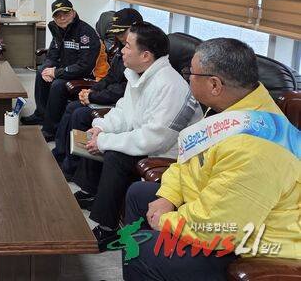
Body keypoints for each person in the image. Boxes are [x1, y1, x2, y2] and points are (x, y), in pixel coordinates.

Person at [123, 38, 301, 280]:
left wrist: (165, 221)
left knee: (141, 247)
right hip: (216, 206)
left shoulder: (254, 149)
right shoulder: (233, 109)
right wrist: (168, 196)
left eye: (190, 73)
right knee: (138, 194)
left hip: (249, 246)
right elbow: (187, 160)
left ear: (214, 85)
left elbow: (220, 226)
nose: (186, 77)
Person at [70, 22, 202, 249]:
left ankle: (108, 229)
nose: (121, 50)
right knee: (98, 134)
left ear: (145, 55)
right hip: (147, 141)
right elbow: (124, 110)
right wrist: (102, 128)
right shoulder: (139, 74)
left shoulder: (169, 85)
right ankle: (92, 191)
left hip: (168, 155)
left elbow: (155, 139)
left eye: (128, 46)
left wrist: (105, 141)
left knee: (116, 155)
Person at [52, 8, 143, 177]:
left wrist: (93, 96)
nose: (118, 36)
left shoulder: (140, 54)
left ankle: (72, 167)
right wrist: (92, 90)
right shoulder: (120, 48)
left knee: (79, 114)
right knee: (72, 107)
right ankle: (61, 153)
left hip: (121, 104)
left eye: (122, 32)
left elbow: (123, 89)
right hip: (110, 96)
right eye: (116, 32)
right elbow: (110, 77)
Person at [21, 0, 102, 142]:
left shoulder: (85, 33)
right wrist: (47, 68)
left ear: (73, 12)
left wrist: (57, 73)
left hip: (85, 75)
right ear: (54, 18)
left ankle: (51, 129)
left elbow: (85, 66)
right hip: (66, 70)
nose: (62, 18)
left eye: (66, 13)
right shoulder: (58, 30)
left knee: (58, 85)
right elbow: (52, 54)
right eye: (58, 15)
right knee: (41, 72)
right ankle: (41, 114)